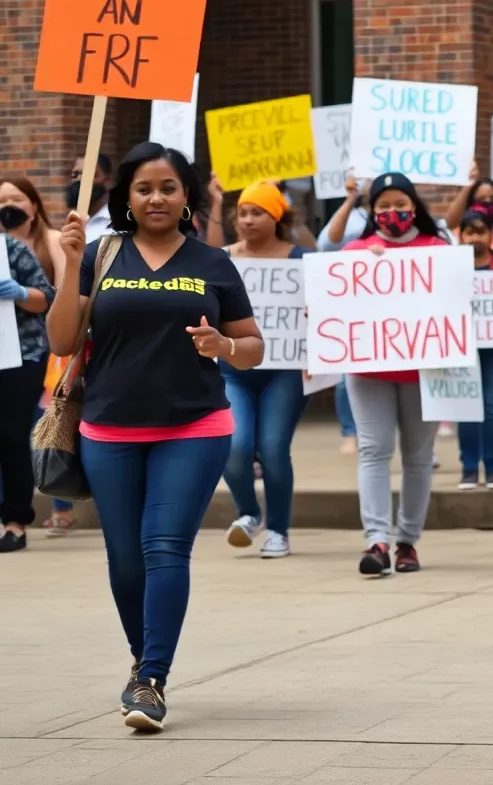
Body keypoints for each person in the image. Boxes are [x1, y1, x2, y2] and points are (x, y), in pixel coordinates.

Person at [47, 142, 264, 731]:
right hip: (108, 430)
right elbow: (65, 341)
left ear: (186, 195)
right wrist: (70, 266)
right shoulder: (100, 254)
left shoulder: (213, 263)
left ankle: (151, 680)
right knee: (124, 561)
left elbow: (252, 347)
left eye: (168, 187)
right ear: (126, 197)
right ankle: (143, 662)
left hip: (194, 427)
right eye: (144, 188)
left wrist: (224, 347)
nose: (156, 197)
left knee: (163, 546)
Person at [342, 173, 449, 576]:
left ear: (414, 206)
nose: (391, 212)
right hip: (369, 369)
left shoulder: (436, 249)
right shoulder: (354, 251)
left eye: (399, 204)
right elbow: (334, 301)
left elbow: (459, 299)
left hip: (424, 369)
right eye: (382, 205)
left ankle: (408, 541)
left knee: (419, 458)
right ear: (371, 211)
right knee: (373, 450)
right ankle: (377, 541)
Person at [221, 181, 310, 559]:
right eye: (242, 212)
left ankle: (278, 530)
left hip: (283, 370)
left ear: (277, 217)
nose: (248, 220)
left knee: (273, 448)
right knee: (234, 445)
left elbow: (321, 307)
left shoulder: (299, 260)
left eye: (258, 212)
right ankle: (248, 514)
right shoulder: (222, 259)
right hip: (231, 368)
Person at [0, 177, 74, 535]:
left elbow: (55, 295)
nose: (8, 206)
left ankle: (24, 516)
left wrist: (18, 292)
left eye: (15, 199)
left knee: (25, 432)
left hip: (31, 351)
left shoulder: (41, 244)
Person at [0, 231, 55, 552]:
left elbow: (45, 298)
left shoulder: (11, 249)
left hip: (19, 355)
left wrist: (20, 293)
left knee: (11, 437)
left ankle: (15, 522)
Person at [456, 210, 493, 490]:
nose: (475, 237)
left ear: (491, 235)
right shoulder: (451, 267)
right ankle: (468, 467)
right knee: (466, 407)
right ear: (461, 235)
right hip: (462, 345)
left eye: (481, 230)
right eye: (470, 231)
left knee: (492, 406)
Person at [316, 177, 370, 454]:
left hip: (391, 310)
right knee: (346, 378)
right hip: (353, 307)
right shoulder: (354, 218)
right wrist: (350, 200)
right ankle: (350, 431)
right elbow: (326, 244)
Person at [445, 163, 493, 253]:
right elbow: (448, 223)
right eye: (481, 200)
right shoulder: (458, 232)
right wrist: (468, 185)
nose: (488, 202)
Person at [70, 152, 114, 243]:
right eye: (75, 174)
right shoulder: (71, 223)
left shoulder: (118, 224)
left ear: (107, 181)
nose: (79, 179)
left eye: (87, 174)